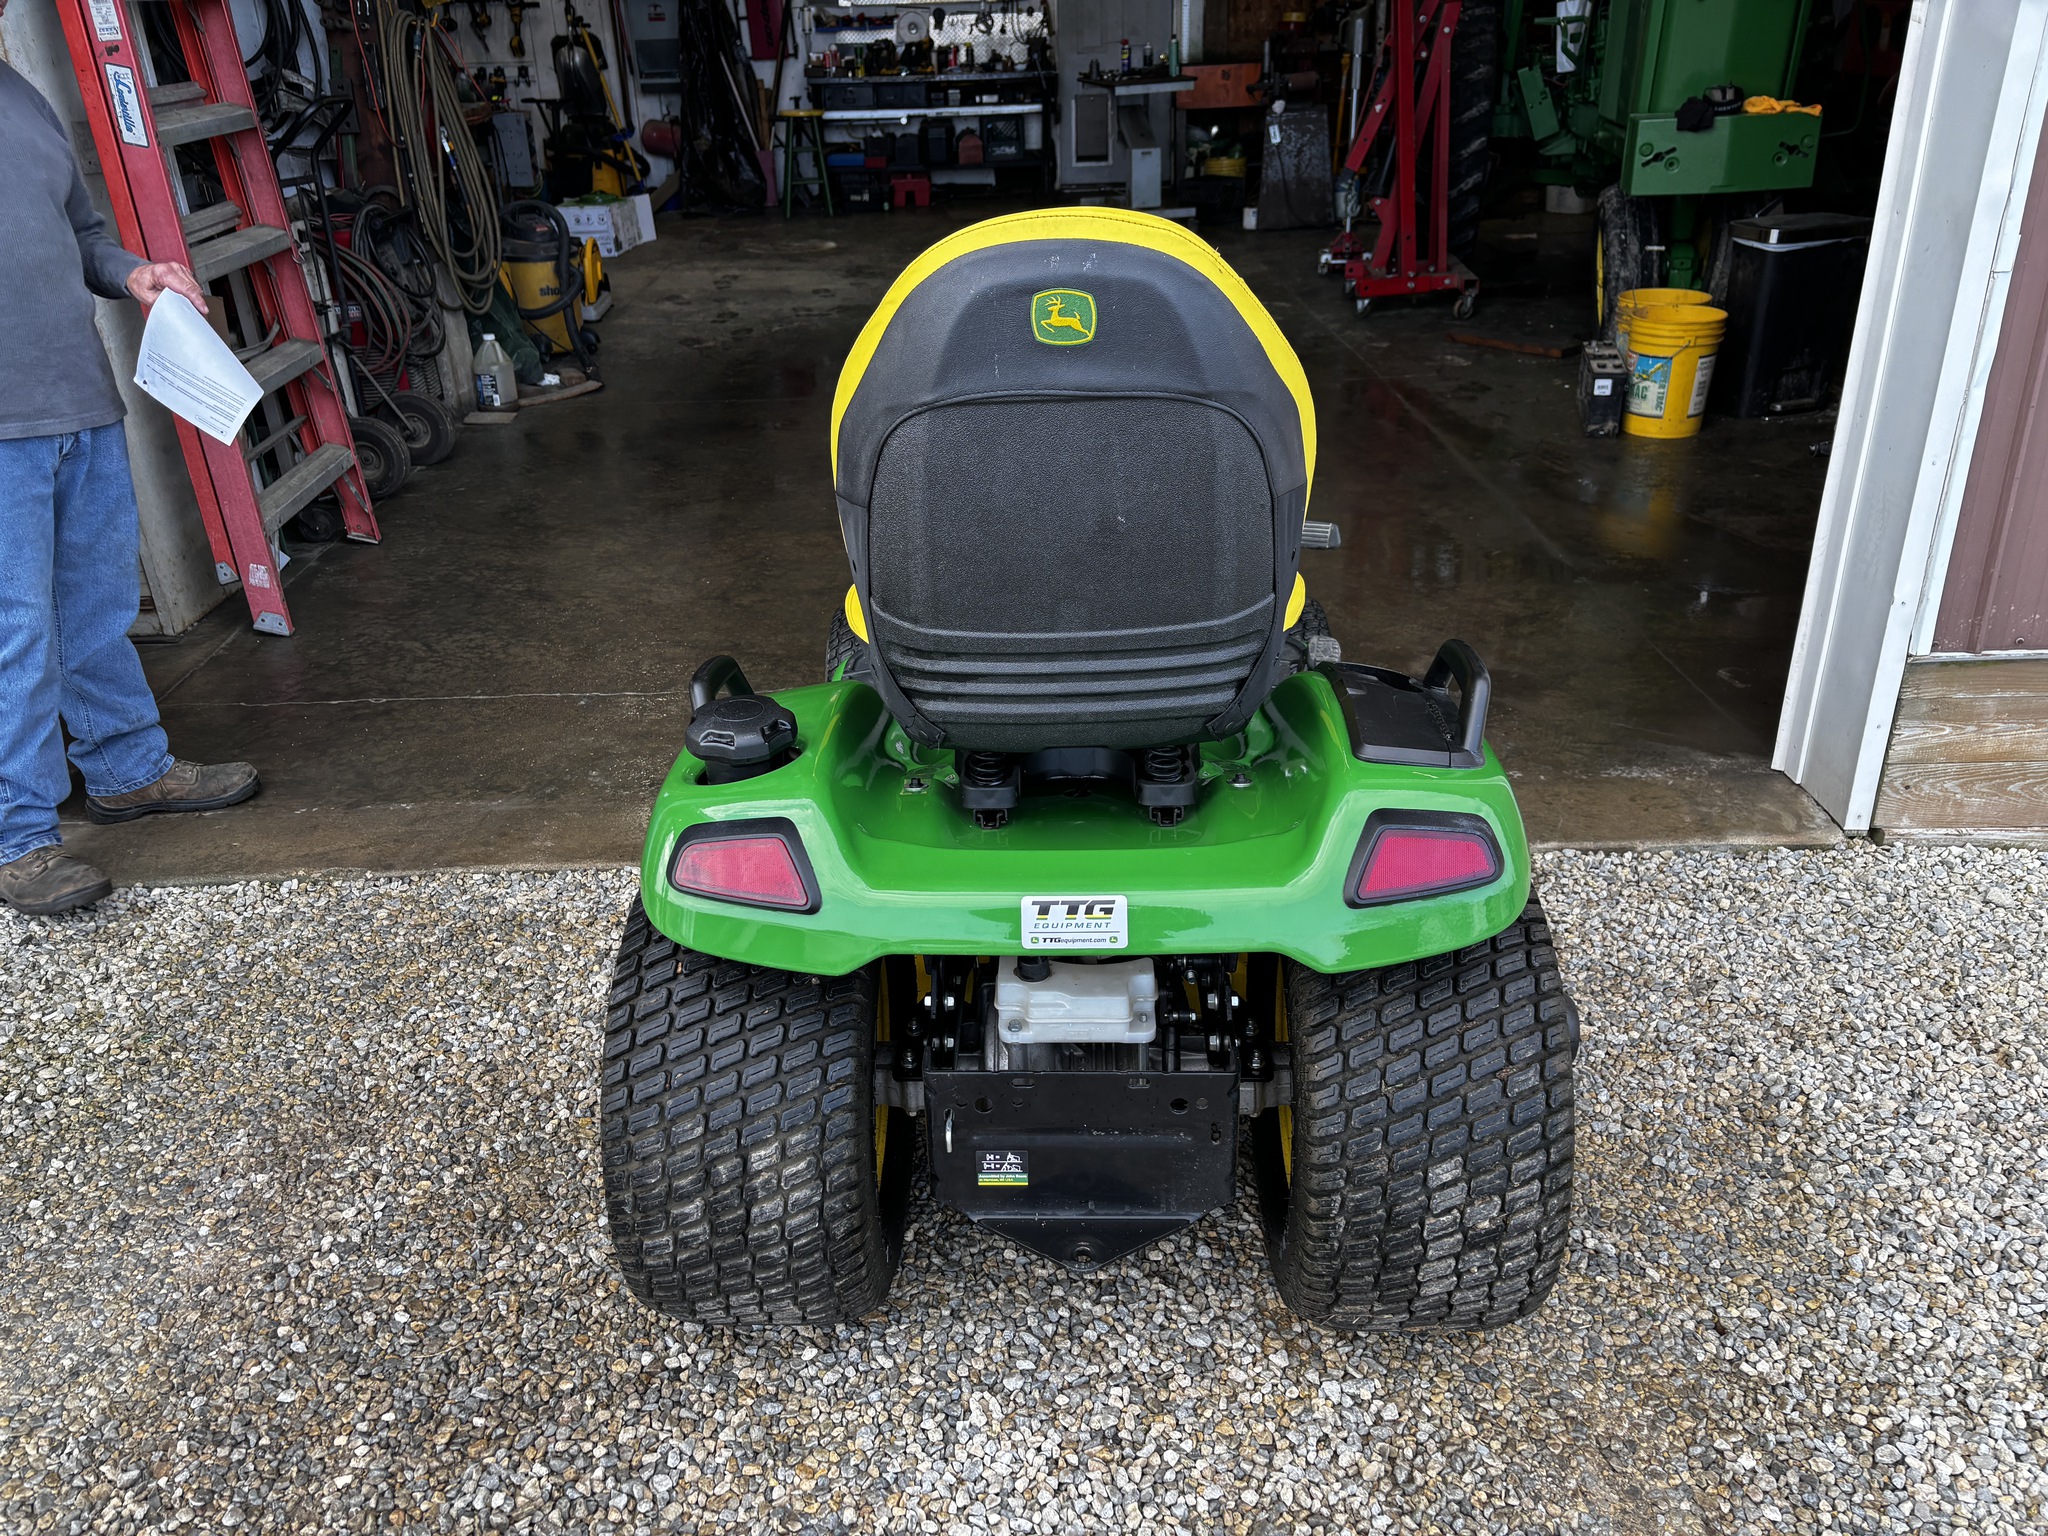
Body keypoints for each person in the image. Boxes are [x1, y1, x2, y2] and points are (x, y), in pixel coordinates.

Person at [1, 47, 260, 916]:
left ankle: (127, 770)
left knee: (95, 607)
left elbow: (79, 236)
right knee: (17, 632)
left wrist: (131, 272)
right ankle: (20, 838)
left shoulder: (20, 97)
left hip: (79, 402)